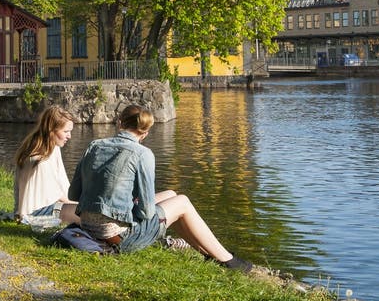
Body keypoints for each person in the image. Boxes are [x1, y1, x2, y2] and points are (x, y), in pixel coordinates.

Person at [69, 103, 252, 272]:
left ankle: (208, 254)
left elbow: (74, 194)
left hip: (87, 227)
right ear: (146, 132)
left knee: (171, 194)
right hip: (118, 239)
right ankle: (228, 260)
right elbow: (146, 212)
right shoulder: (142, 153)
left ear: (119, 123)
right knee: (182, 202)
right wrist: (130, 205)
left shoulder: (94, 146)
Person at [13, 106, 79, 223]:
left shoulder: (48, 147)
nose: (69, 136)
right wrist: (80, 204)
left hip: (42, 208)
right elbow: (59, 197)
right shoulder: (41, 159)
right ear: (51, 130)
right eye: (65, 131)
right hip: (37, 213)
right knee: (89, 214)